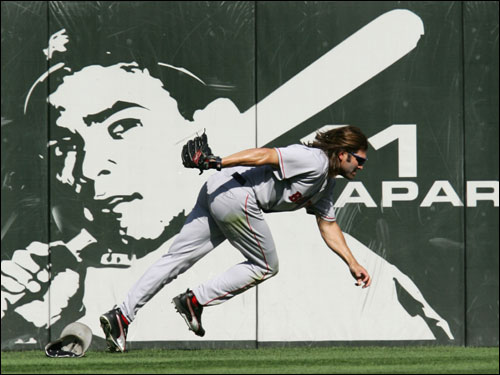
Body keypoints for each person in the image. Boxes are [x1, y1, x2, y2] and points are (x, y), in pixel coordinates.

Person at [99, 125, 372, 352]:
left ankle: (122, 315)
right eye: (358, 159)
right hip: (237, 194)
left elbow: (328, 224)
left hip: (221, 189)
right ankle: (194, 300)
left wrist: (352, 262)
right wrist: (218, 161)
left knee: (175, 259)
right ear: (341, 153)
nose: (361, 166)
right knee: (265, 265)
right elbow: (265, 155)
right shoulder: (315, 159)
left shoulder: (326, 182)